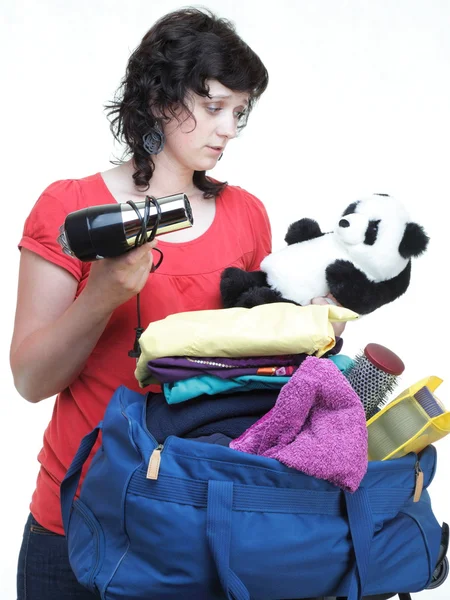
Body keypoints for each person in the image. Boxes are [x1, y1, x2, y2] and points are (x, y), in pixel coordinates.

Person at [10, 7, 344, 599]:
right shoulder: (73, 206)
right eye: (214, 106)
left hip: (198, 518)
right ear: (161, 98)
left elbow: (253, 373)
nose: (228, 130)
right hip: (79, 517)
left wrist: (305, 327)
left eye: (239, 113)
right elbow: (32, 379)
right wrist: (104, 295)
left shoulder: (245, 213)